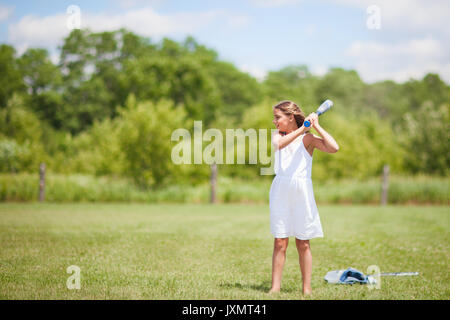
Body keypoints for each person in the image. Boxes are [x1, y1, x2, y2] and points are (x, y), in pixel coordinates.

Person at [268, 100, 339, 296]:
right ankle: (275, 288)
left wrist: (316, 126)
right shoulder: (277, 135)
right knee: (280, 241)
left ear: (291, 117)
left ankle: (306, 289)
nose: (274, 121)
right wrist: (302, 129)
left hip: (302, 192)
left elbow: (334, 148)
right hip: (281, 191)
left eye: (278, 117)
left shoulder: (307, 139)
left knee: (303, 242)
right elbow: (280, 145)